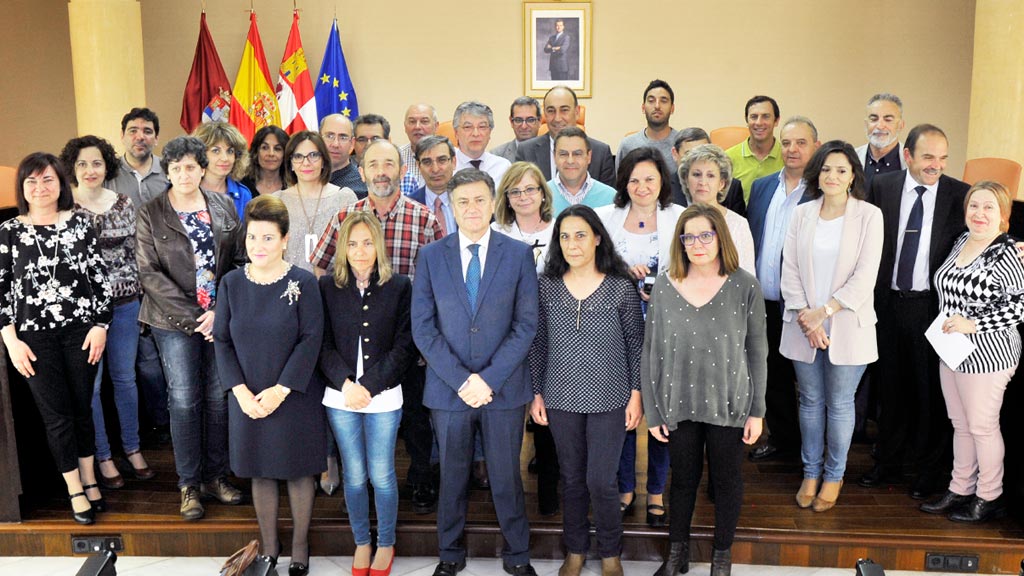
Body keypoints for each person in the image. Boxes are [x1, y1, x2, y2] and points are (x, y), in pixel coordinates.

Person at [411, 169, 539, 576]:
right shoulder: (431, 256)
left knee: (506, 478)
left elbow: (526, 325)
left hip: (503, 389)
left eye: (479, 200)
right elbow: (423, 328)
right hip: (449, 390)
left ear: (492, 202)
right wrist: (463, 380)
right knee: (451, 477)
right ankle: (449, 554)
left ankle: (517, 556)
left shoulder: (518, 254)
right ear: (451, 205)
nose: (471, 208)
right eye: (462, 201)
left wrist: (489, 379)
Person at [311, 139, 443, 514]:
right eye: (373, 164)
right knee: (352, 417)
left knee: (416, 416)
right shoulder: (345, 217)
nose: (382, 171)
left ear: (403, 171)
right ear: (362, 170)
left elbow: (440, 279)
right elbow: (322, 265)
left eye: (390, 164)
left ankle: (419, 478)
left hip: (410, 338)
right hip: (356, 337)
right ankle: (360, 490)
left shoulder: (424, 218)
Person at [642, 203, 767, 576]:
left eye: (705, 235)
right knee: (681, 481)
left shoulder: (745, 284)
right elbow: (651, 349)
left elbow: (757, 350)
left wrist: (757, 411)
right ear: (680, 242)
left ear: (720, 238)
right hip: (677, 402)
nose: (697, 243)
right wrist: (652, 410)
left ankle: (721, 557)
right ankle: (676, 554)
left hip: (729, 403)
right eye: (689, 236)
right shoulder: (665, 282)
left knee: (727, 482)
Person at [529, 204, 643, 576]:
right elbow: (538, 344)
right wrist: (536, 392)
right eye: (564, 237)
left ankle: (610, 551)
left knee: (601, 481)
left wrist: (637, 394)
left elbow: (635, 344)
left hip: (611, 397)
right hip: (560, 397)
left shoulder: (620, 286)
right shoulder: (546, 286)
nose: (572, 244)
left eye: (580, 235)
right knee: (573, 479)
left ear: (597, 238)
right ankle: (575, 549)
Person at [213, 196, 325, 575]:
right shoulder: (230, 283)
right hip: (247, 395)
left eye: (267, 238)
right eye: (252, 238)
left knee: (296, 470)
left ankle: (299, 548)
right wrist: (240, 391)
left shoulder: (303, 282)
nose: (258, 247)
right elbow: (223, 341)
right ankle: (270, 548)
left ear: (284, 239)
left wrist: (281, 390)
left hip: (293, 393)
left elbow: (311, 339)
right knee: (260, 470)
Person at [136, 136, 246, 521]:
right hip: (171, 321)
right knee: (184, 400)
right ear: (167, 172)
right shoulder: (151, 212)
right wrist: (196, 319)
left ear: (203, 169)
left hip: (218, 320)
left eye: (190, 166)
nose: (184, 173)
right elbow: (149, 274)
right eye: (176, 167)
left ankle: (216, 477)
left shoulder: (224, 205)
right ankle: (188, 484)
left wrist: (220, 311)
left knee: (218, 398)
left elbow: (239, 261)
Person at [860, 124, 970, 501]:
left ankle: (927, 471)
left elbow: (986, 230)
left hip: (933, 309)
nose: (935, 165)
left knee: (929, 394)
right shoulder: (883, 187)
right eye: (927, 157)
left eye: (942, 158)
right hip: (888, 304)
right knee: (889, 389)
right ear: (908, 156)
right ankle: (887, 463)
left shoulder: (960, 195)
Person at [0, 152, 112, 525]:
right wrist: (11, 341)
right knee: (57, 416)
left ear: (61, 184)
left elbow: (99, 280)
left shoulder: (79, 224)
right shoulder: (10, 232)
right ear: (23, 188)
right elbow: (1, 293)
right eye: (31, 181)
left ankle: (91, 478)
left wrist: (101, 326)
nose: (40, 187)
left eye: (48, 179)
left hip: (81, 332)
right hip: (33, 339)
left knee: (82, 409)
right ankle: (74, 489)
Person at [778, 141, 883, 512]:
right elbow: (788, 269)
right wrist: (807, 316)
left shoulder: (869, 216)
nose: (832, 176)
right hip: (802, 323)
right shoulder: (801, 214)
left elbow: (864, 276)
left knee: (839, 405)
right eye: (825, 169)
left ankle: (834, 476)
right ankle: (810, 472)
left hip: (847, 325)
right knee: (809, 402)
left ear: (853, 175)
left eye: (841, 169)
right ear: (816, 174)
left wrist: (823, 312)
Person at [319, 211, 416, 576]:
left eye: (367, 242)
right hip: (339, 395)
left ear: (380, 245)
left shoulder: (400, 286)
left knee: (382, 474)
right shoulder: (327, 287)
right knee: (354, 474)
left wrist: (369, 386)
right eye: (353, 243)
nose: (360, 251)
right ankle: (362, 540)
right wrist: (346, 384)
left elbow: (405, 345)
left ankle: (386, 543)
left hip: (384, 395)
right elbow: (322, 343)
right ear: (343, 247)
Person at [921, 181, 1024, 523]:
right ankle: (960, 488)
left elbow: (1019, 307)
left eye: (989, 207)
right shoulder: (962, 240)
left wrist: (973, 323)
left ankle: (989, 496)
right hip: (951, 350)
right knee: (960, 425)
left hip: (988, 354)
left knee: (982, 427)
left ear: (1003, 215)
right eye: (974, 206)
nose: (980, 214)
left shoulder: (1007, 252)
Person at [594, 147, 683, 526]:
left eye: (649, 178)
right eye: (633, 179)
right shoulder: (606, 218)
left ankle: (658, 489)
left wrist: (663, 288)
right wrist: (620, 270)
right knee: (625, 413)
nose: (641, 186)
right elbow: (591, 265)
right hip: (616, 329)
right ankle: (626, 486)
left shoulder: (680, 217)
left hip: (668, 328)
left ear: (662, 181)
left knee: (663, 411)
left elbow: (696, 266)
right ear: (623, 183)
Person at [60, 135, 153, 490]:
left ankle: (132, 448)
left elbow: (138, 255)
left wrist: (143, 297)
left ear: (107, 166)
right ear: (72, 168)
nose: (90, 170)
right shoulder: (65, 210)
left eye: (96, 162)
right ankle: (102, 456)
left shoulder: (125, 203)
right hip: (84, 315)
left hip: (126, 305)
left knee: (126, 379)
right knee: (92, 386)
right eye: (82, 163)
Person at [745, 116, 821, 462]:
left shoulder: (823, 192)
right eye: (787, 143)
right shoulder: (762, 186)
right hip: (763, 299)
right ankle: (784, 440)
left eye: (801, 143)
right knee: (772, 373)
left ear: (815, 148)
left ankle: (812, 449)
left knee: (808, 382)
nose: (792, 149)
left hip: (804, 304)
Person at [106, 107, 170, 444]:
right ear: (124, 135)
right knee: (145, 360)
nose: (140, 136)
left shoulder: (169, 173)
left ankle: (179, 415)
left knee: (171, 352)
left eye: (147, 130)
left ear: (156, 137)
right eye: (133, 130)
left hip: (168, 276)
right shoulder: (109, 175)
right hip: (129, 281)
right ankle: (160, 422)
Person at [272, 131, 358, 272]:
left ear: (324, 160)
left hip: (333, 286)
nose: (306, 163)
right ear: (291, 164)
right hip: (288, 286)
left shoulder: (344, 198)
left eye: (313, 155)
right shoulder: (277, 201)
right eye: (298, 156)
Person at [677, 144, 756, 274]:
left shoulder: (738, 224)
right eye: (696, 174)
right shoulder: (675, 218)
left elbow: (748, 278)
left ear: (721, 184)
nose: (703, 182)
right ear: (686, 180)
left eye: (711, 175)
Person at [516, 85, 615, 186]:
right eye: (551, 111)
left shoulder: (601, 153)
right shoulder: (526, 151)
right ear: (544, 114)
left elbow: (608, 198)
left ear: (577, 112)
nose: (557, 118)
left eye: (564, 110)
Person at [493, 162, 557, 274]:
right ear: (507, 198)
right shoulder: (495, 231)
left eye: (530, 189)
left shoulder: (557, 230)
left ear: (542, 193)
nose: (523, 197)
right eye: (515, 192)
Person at [670, 128, 745, 215]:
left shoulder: (732, 187)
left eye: (704, 153)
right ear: (675, 154)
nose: (696, 160)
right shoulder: (663, 186)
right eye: (689, 154)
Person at [725, 95, 784, 200]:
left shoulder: (787, 156)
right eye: (754, 117)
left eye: (766, 116)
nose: (759, 122)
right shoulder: (728, 158)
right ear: (747, 120)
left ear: (776, 121)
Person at [549, 127, 618, 216]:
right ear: (554, 157)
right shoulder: (540, 196)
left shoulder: (610, 197)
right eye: (563, 154)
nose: (570, 161)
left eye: (577, 154)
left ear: (589, 156)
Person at [191, 121, 253, 218]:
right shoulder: (186, 189)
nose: (225, 158)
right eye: (216, 151)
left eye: (230, 151)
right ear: (200, 154)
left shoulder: (243, 194)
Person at [617, 80, 679, 171]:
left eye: (663, 101)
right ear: (643, 108)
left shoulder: (682, 144)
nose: (657, 106)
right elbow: (620, 183)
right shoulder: (627, 145)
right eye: (651, 101)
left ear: (672, 108)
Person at [410, 135, 458, 237]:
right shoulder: (409, 206)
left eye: (442, 160)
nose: (435, 169)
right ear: (418, 166)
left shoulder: (469, 201)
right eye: (427, 162)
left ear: (453, 162)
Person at [453, 101, 511, 184]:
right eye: (468, 127)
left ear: (490, 132)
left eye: (482, 127)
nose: (475, 134)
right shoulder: (446, 167)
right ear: (456, 133)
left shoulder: (503, 167)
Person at [855, 93, 907, 185]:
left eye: (888, 120)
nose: (880, 126)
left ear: (901, 125)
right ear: (866, 124)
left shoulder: (911, 162)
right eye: (874, 119)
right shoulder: (851, 158)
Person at [321, 113, 368, 198]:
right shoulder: (305, 178)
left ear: (352, 144)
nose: (335, 144)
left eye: (343, 138)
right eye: (329, 136)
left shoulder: (362, 188)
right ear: (319, 139)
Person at [399, 104, 439, 194]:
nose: (417, 127)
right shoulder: (396, 157)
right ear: (405, 127)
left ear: (436, 126)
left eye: (424, 121)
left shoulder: (451, 155)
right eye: (412, 122)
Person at [241, 125, 288, 197]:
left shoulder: (294, 186)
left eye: (277, 149)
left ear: (285, 154)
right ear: (256, 152)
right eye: (265, 148)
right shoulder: (242, 185)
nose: (271, 153)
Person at [491, 97, 542, 163]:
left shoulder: (551, 152)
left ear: (540, 121)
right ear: (511, 122)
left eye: (530, 120)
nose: (524, 126)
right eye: (518, 120)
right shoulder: (497, 156)